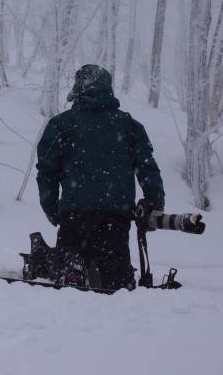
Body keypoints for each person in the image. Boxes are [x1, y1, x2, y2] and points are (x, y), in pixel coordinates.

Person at [34, 64, 165, 291]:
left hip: (75, 213)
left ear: (79, 88)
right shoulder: (129, 125)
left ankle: (71, 265)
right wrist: (154, 200)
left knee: (69, 252)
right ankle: (117, 279)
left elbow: (47, 171)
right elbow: (147, 166)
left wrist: (52, 207)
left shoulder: (61, 124)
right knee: (116, 276)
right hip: (116, 215)